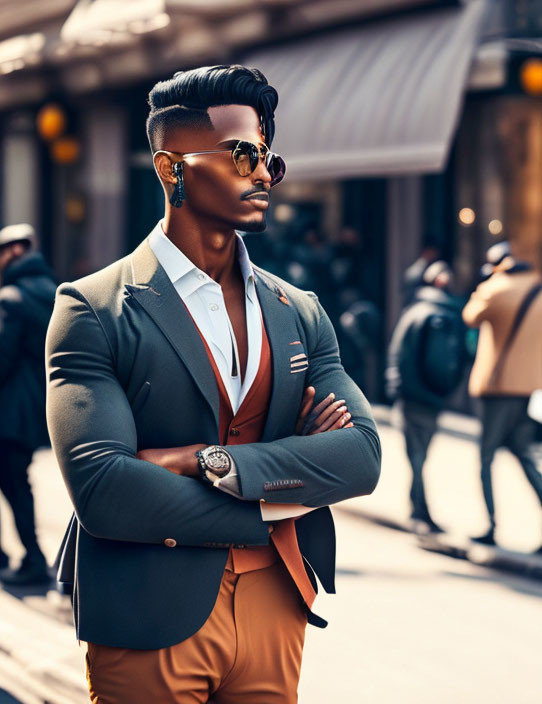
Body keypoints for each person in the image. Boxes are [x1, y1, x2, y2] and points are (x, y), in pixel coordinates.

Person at [45, 65, 380, 704]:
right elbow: (105, 490)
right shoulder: (93, 308)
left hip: (274, 609)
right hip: (149, 612)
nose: (262, 174)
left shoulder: (299, 310)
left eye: (269, 160)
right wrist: (281, 500)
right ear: (172, 170)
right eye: (243, 155)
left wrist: (204, 462)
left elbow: (360, 457)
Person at [462, 248, 542, 553]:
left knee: (486, 457)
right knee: (523, 451)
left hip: (496, 390)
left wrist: (487, 281)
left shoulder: (495, 289)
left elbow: (470, 315)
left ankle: (490, 525)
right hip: (531, 390)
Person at [385, 261, 467, 534]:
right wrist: (446, 391)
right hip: (435, 398)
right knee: (421, 456)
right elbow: (464, 356)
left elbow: (399, 351)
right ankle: (419, 508)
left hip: (412, 396)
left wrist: (396, 386)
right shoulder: (456, 315)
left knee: (416, 456)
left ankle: (421, 512)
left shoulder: (415, 311)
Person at [0, 224, 55, 586]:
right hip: (39, 405)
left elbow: (2, 358)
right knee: (17, 482)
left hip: (9, 410)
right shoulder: (55, 292)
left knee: (15, 484)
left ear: (11, 254)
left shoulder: (10, 298)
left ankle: (34, 560)